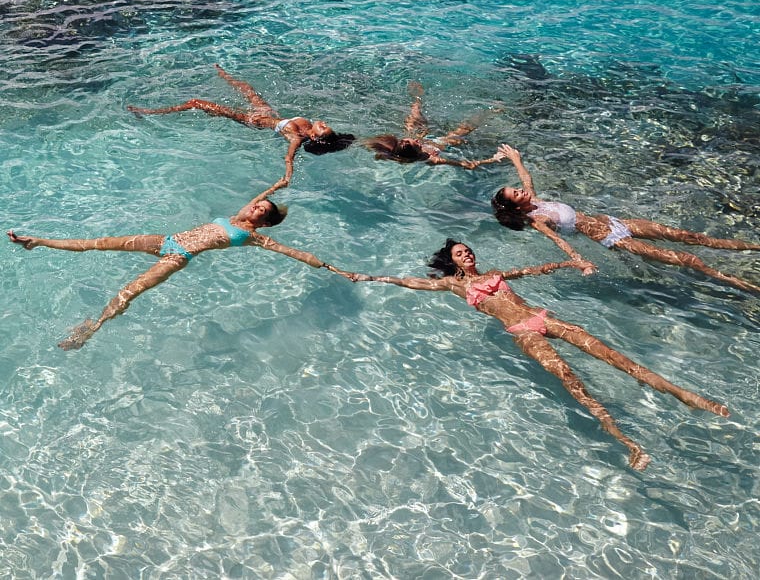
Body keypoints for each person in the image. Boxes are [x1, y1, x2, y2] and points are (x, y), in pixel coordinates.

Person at [337, 238, 728, 470]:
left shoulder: (498, 275)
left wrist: (569, 262)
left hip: (545, 319)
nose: (467, 254)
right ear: (451, 262)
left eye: (468, 250)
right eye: (460, 253)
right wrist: (369, 277)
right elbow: (411, 283)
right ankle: (625, 441)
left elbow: (536, 269)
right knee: (572, 382)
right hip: (524, 334)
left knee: (618, 359)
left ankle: (685, 395)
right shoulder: (451, 287)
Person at [8, 177, 290, 350]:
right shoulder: (237, 217)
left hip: (177, 257)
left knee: (129, 291)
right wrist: (278, 184)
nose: (256, 206)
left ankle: (90, 330)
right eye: (257, 204)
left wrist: (325, 265)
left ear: (263, 223)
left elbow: (290, 251)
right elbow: (259, 198)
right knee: (100, 242)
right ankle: (39, 241)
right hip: (165, 240)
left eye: (261, 210)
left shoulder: (251, 236)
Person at [491, 144, 760, 294]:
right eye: (516, 193)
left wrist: (515, 158)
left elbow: (527, 178)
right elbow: (558, 241)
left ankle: (755, 246)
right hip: (613, 239)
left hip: (615, 221)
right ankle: (742, 285)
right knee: (691, 260)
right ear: (516, 207)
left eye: (517, 189)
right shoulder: (538, 220)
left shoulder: (535, 200)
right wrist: (578, 261)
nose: (520, 189)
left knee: (692, 237)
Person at [128, 64, 354, 184]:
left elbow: (289, 157)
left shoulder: (297, 136)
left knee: (196, 103)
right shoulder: (306, 124)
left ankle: (149, 112)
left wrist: (287, 177)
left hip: (252, 121)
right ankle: (223, 74)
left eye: (323, 127)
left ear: (314, 137)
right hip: (267, 113)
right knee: (245, 87)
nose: (323, 122)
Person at [364, 82, 507, 169]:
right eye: (418, 145)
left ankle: (417, 99)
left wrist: (380, 154)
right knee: (462, 131)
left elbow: (386, 154)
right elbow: (468, 165)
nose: (419, 142)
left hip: (419, 139)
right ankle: (491, 111)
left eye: (414, 142)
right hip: (439, 143)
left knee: (413, 119)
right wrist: (492, 159)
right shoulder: (431, 159)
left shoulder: (396, 152)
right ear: (417, 153)